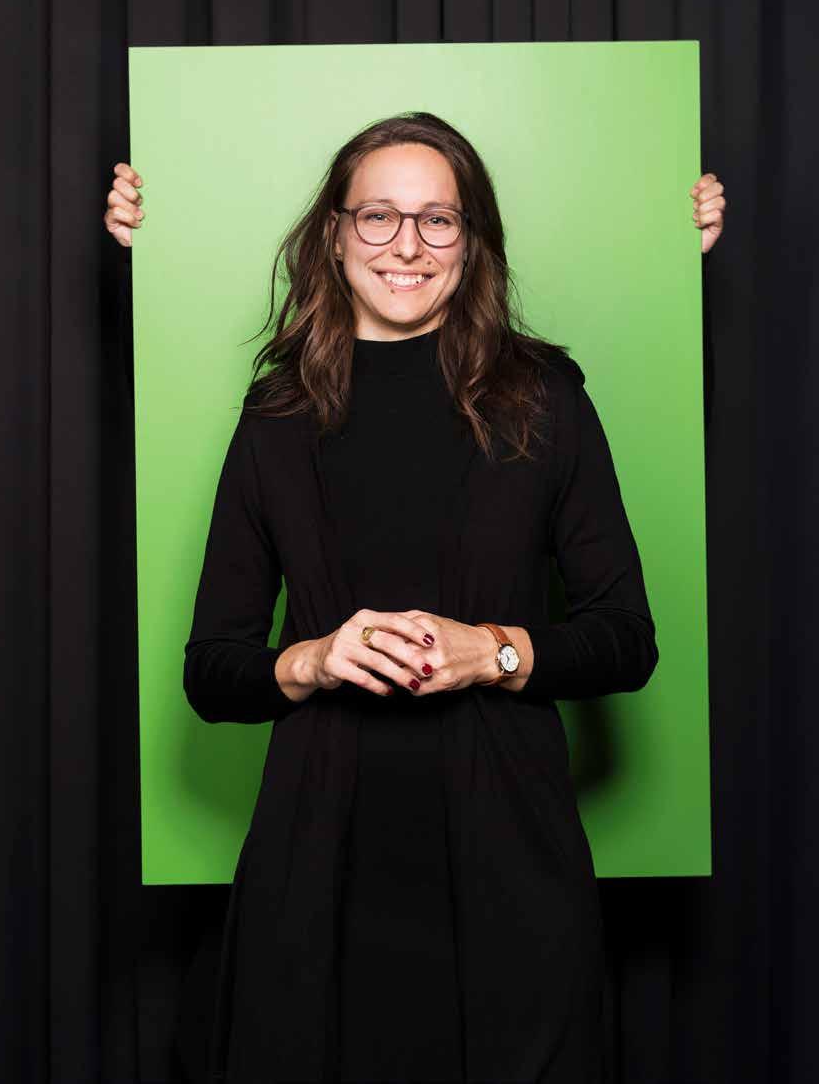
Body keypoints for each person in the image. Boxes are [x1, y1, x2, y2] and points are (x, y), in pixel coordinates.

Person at [104, 115, 726, 1084]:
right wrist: (313, 659)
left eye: (437, 219)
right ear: (334, 234)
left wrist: (496, 650)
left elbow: (625, 637)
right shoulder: (274, 416)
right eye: (378, 216)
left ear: (470, 241)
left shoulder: (545, 398)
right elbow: (212, 670)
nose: (407, 245)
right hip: (317, 863)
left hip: (512, 862)